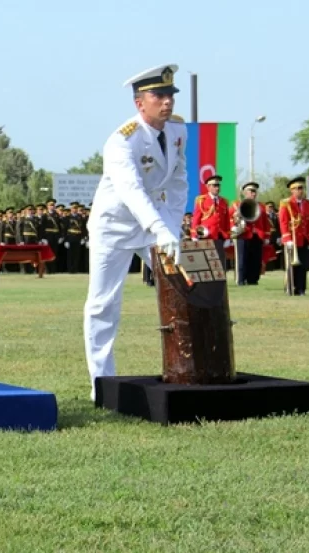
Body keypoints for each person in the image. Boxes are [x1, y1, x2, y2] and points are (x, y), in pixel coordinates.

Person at [83, 64, 188, 401]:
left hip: (155, 222)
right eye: (159, 96)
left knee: (184, 288)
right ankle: (101, 383)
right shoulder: (121, 140)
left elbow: (178, 181)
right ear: (139, 103)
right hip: (114, 226)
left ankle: (188, 367)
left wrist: (173, 228)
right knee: (103, 303)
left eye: (171, 95)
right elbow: (131, 191)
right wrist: (160, 227)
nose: (168, 102)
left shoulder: (176, 131)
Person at [230, 182, 270, 285]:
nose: (253, 193)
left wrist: (266, 236)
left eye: (255, 191)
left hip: (257, 235)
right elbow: (229, 218)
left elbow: (265, 222)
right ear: (245, 192)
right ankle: (241, 280)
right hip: (243, 234)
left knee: (256, 259)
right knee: (242, 259)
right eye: (251, 191)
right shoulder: (236, 205)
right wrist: (234, 222)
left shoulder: (261, 206)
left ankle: (253, 280)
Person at [278, 176, 309, 296]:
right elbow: (283, 222)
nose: (300, 190)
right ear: (291, 190)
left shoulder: (307, 204)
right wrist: (287, 238)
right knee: (291, 267)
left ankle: (302, 289)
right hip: (292, 239)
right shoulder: (286, 203)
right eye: (297, 188)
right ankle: (291, 287)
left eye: (301, 188)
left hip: (303, 239)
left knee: (303, 266)